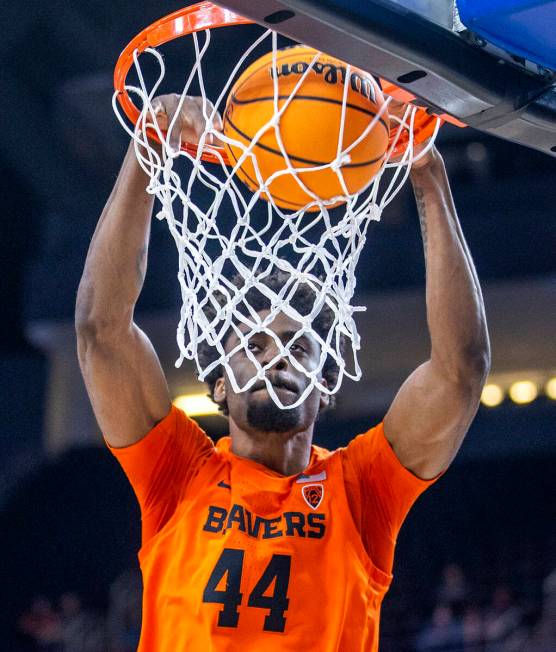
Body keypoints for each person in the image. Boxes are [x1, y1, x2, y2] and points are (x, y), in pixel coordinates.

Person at [75, 93, 490, 651]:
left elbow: (461, 372)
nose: (278, 357)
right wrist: (149, 143)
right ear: (219, 385)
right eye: (255, 344)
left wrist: (429, 175)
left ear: (324, 388)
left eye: (300, 346)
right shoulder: (176, 475)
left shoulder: (362, 491)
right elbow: (101, 330)